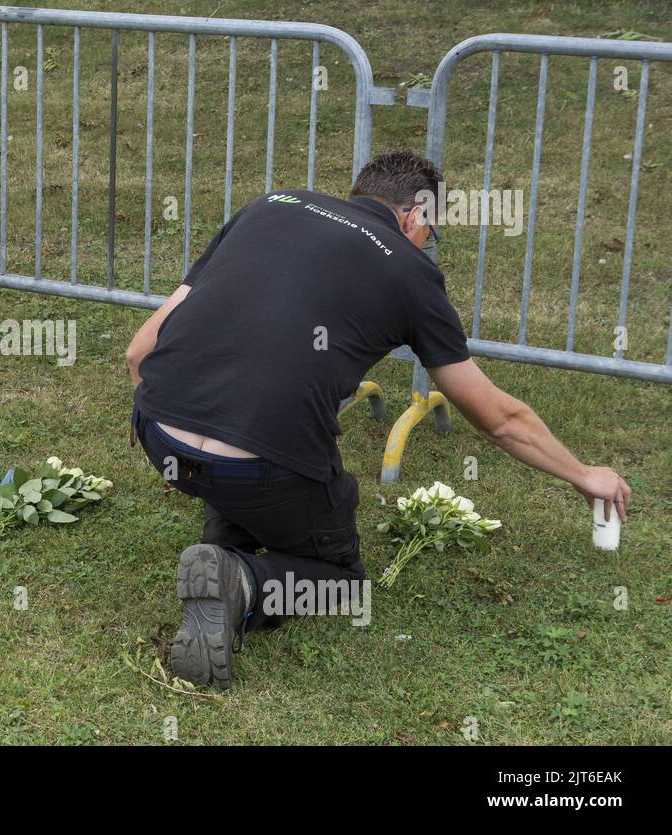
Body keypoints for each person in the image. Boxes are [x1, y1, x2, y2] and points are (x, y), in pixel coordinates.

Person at [125, 149, 632, 689]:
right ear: (416, 215)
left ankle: (224, 538)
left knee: (242, 467)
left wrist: (164, 427)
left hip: (159, 431)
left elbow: (140, 351)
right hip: (262, 464)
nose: (426, 244)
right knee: (342, 581)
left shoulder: (269, 205)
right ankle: (242, 581)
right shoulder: (412, 272)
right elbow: (497, 418)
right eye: (430, 232)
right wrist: (582, 473)